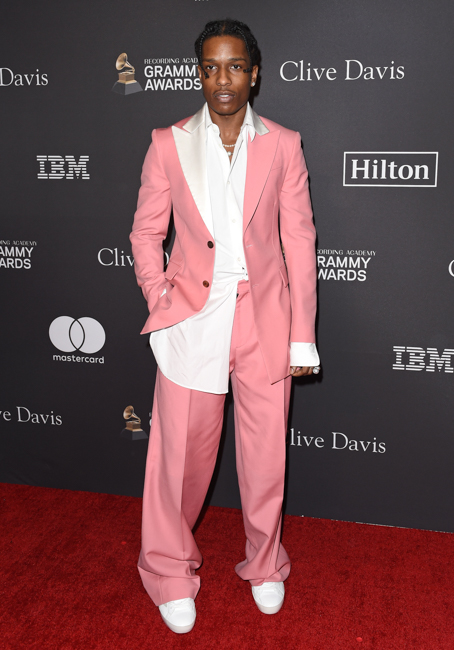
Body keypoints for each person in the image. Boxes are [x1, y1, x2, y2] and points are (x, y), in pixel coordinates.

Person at [130, 18, 320, 634]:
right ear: (199, 73)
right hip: (192, 318)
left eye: (235, 66)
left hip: (265, 318)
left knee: (265, 459)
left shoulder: (284, 144)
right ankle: (166, 569)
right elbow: (145, 231)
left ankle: (265, 563)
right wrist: (160, 296)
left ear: (255, 72)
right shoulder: (168, 141)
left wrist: (302, 335)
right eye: (211, 67)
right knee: (177, 461)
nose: (223, 79)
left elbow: (299, 241)